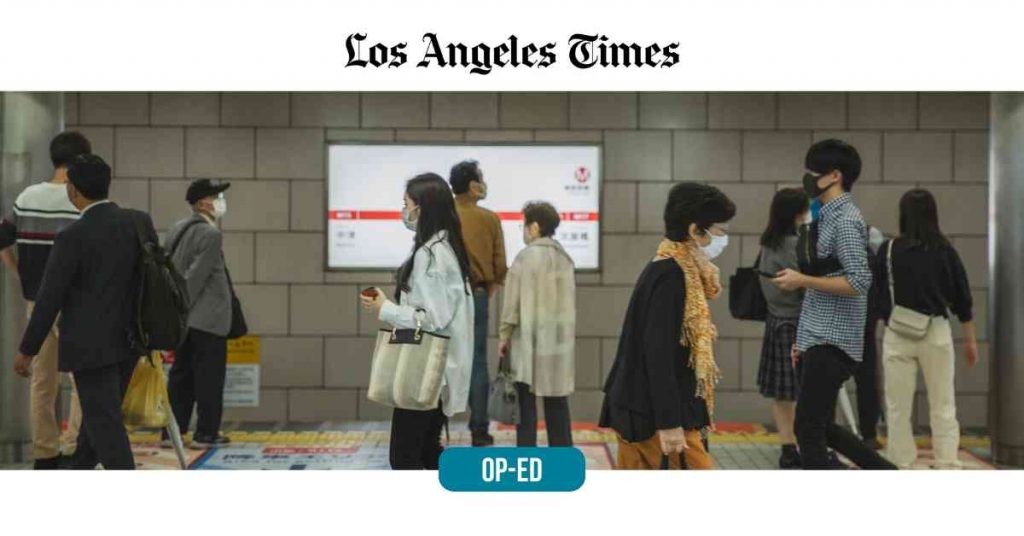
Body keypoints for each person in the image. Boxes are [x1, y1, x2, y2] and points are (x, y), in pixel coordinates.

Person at [13, 154, 158, 470]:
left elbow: (49, 299)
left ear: (73, 191)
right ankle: (79, 469)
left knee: (104, 423)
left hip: (90, 348)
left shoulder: (72, 237)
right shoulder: (139, 222)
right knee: (98, 419)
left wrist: (27, 350)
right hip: (131, 340)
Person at [772, 139, 897, 469]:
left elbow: (858, 281)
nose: (808, 178)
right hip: (818, 335)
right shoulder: (824, 216)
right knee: (820, 426)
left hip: (835, 339)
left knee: (807, 427)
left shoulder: (846, 221)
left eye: (813, 171)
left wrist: (802, 280)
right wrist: (804, 338)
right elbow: (822, 283)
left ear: (835, 176)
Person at [599, 182, 735, 470]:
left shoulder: (676, 267)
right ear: (695, 230)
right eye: (720, 230)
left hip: (646, 406)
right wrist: (669, 422)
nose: (724, 238)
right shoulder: (671, 275)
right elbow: (657, 353)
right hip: (650, 415)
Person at [360, 172, 473, 469]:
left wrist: (385, 308)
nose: (404, 211)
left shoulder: (431, 255)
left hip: (425, 372)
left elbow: (431, 319)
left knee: (404, 457)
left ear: (422, 208)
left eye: (406, 204)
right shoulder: (445, 248)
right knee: (426, 451)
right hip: (439, 371)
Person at [0, 131, 88, 469]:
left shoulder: (27, 197)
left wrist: (19, 273)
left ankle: (45, 453)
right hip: (76, 303)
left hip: (37, 302)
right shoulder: (81, 201)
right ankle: (75, 445)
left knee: (42, 381)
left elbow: (2, 239)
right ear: (81, 161)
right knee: (83, 379)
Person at [875, 188, 977, 469]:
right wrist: (970, 340)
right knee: (943, 403)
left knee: (897, 406)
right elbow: (962, 298)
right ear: (933, 215)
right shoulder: (945, 251)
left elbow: (876, 294)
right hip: (935, 331)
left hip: (897, 332)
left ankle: (901, 462)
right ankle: (947, 461)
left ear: (903, 214)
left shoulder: (889, 250)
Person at [498, 202, 576, 447]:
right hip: (558, 344)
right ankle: (562, 456)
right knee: (557, 401)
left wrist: (504, 335)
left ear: (534, 227)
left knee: (525, 401)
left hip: (527, 340)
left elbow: (512, 305)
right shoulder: (565, 258)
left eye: (524, 225)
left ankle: (527, 454)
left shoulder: (525, 258)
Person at [162, 179, 234, 448]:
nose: (221, 202)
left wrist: (176, 312)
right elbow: (195, 277)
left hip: (184, 322)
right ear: (203, 202)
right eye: (217, 197)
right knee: (209, 378)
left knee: (181, 376)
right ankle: (206, 433)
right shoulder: (211, 234)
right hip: (208, 320)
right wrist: (184, 304)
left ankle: (172, 433)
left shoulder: (177, 229)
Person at [449, 160, 506, 447]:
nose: (484, 184)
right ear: (473, 186)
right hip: (478, 294)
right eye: (481, 179)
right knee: (478, 362)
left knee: (440, 357)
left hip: (445, 297)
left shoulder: (444, 215)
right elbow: (500, 266)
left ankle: (434, 427)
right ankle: (479, 431)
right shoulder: (489, 219)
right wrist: (486, 289)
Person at [755, 188, 810, 469]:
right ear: (797, 213)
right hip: (799, 323)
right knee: (806, 391)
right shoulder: (796, 244)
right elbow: (807, 285)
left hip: (776, 321)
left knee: (782, 392)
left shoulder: (767, 244)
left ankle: (787, 446)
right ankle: (806, 445)